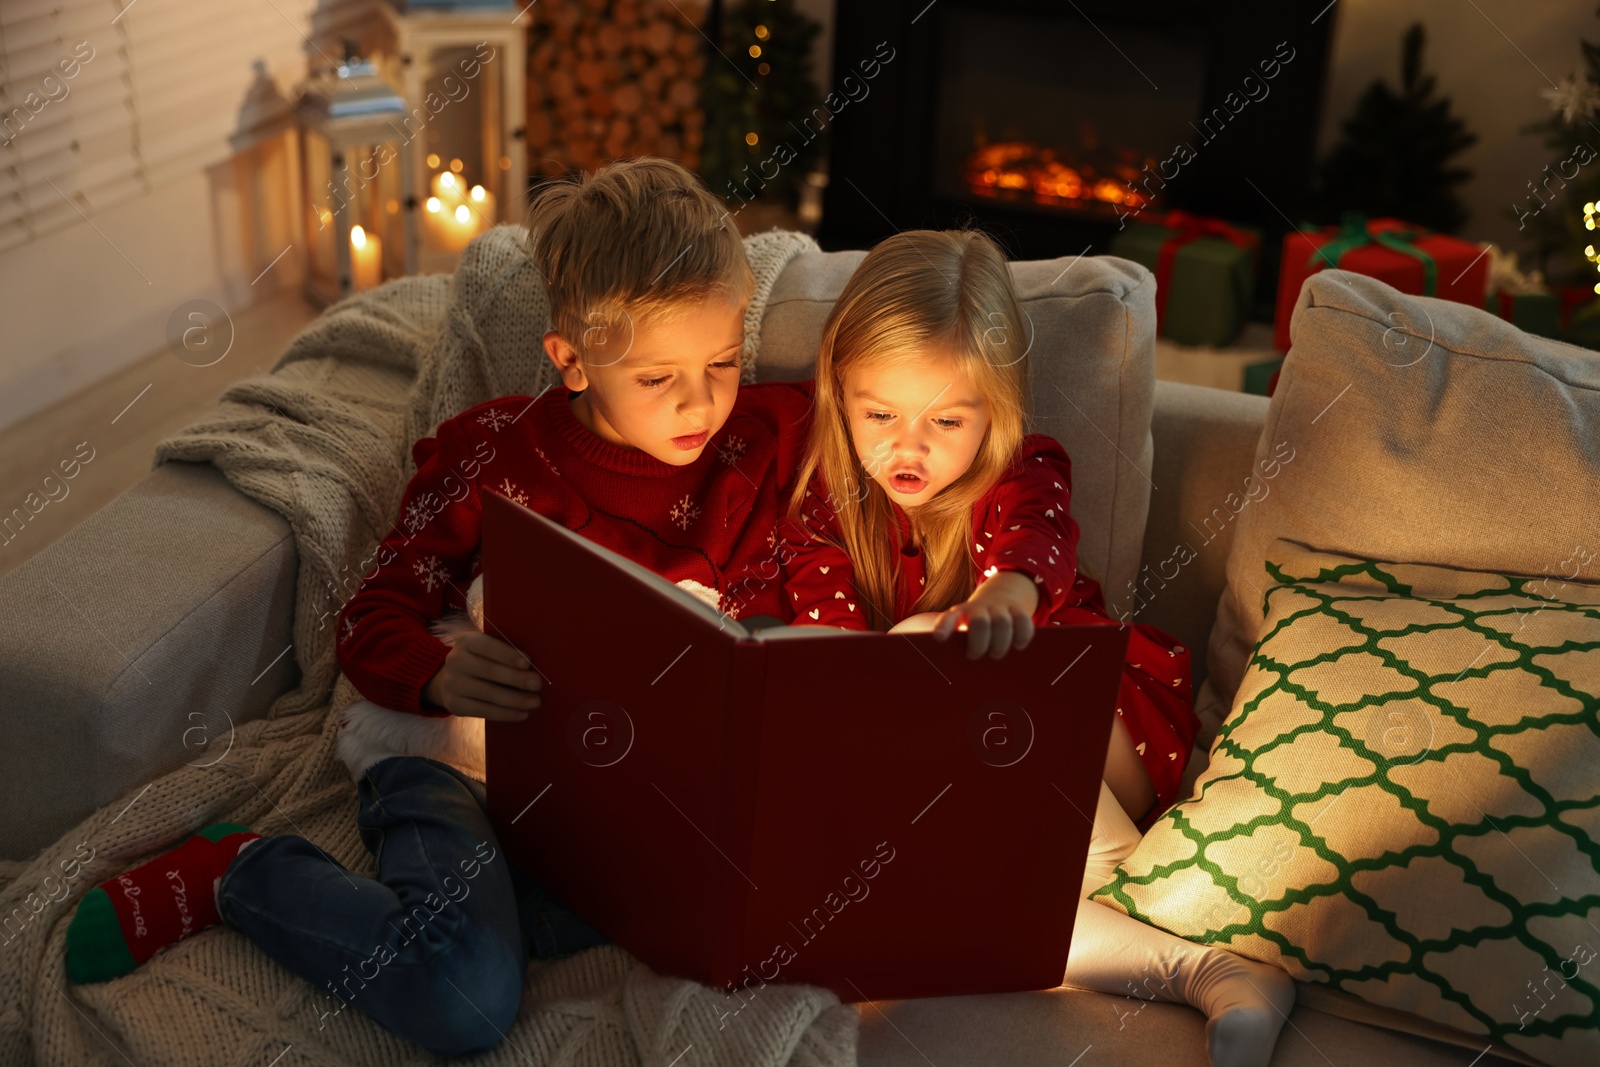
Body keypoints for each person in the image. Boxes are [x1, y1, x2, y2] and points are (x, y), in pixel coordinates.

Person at [64, 157, 814, 1058]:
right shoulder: (493, 452)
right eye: (658, 377)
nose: (702, 400)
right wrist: (441, 670)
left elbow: (968, 452)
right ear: (570, 360)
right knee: (463, 996)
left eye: (723, 360)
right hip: (454, 761)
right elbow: (373, 616)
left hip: (614, 786)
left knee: (739, 910)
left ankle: (468, 905)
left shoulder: (767, 443)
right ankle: (242, 871)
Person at [777, 228, 1296, 1067]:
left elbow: (1035, 546)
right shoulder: (825, 506)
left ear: (996, 410)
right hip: (983, 769)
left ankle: (1125, 872)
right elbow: (831, 650)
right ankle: (1213, 972)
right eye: (879, 415)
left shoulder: (1021, 471)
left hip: (1101, 718)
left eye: (946, 419)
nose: (907, 447)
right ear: (839, 395)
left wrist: (1004, 595)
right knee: (947, 904)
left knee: (921, 651)